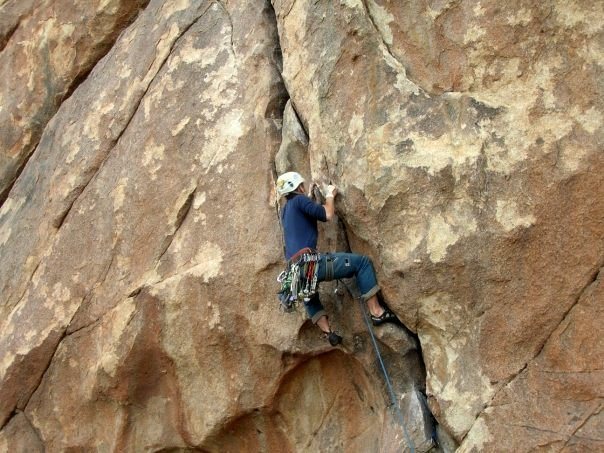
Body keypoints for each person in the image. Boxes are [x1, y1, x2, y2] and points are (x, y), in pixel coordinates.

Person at [276, 171, 398, 346]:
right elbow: (327, 214)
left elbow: (305, 217)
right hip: (312, 263)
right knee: (362, 263)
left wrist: (310, 197)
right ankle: (377, 312)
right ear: (298, 187)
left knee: (309, 295)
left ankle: (329, 333)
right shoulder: (300, 201)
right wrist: (329, 195)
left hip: (296, 269)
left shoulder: (286, 209)